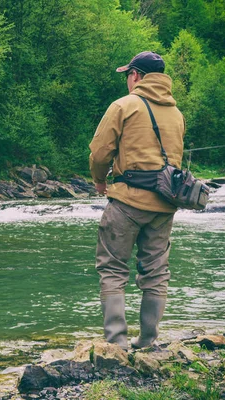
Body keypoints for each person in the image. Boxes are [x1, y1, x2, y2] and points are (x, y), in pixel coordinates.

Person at [88, 51, 185, 350]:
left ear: (135, 75)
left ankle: (116, 343)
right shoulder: (176, 113)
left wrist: (100, 180)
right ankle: (147, 342)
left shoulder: (124, 105)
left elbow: (100, 152)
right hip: (164, 205)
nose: (128, 81)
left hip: (127, 203)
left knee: (113, 268)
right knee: (156, 273)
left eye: (128, 75)